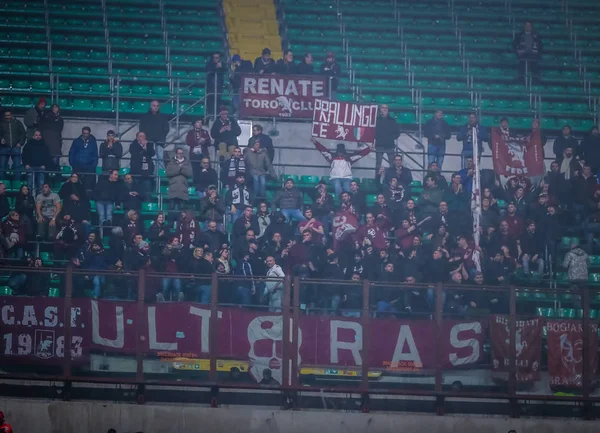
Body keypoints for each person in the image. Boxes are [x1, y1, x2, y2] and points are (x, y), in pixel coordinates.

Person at [139, 100, 170, 172]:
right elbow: (141, 129)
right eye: (154, 105)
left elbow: (166, 128)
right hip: (148, 141)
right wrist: (145, 139)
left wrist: (162, 137)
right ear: (150, 106)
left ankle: (160, 173)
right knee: (150, 158)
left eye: (157, 106)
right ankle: (151, 172)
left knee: (160, 158)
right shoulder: (144, 117)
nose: (156, 107)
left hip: (159, 141)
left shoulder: (163, 117)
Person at [166, 148, 193, 221]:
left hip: (183, 189)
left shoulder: (187, 163)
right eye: (179, 153)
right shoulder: (171, 162)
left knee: (182, 209)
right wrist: (179, 169)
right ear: (176, 154)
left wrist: (181, 168)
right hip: (173, 189)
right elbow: (168, 173)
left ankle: (181, 225)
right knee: (171, 208)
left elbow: (189, 173)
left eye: (181, 153)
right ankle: (170, 224)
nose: (180, 154)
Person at [68, 126, 98, 193]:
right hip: (77, 165)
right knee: (76, 184)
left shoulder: (93, 142)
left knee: (88, 185)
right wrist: (72, 163)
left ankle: (87, 198)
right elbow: (72, 152)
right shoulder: (76, 141)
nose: (85, 135)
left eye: (87, 133)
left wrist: (93, 165)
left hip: (89, 166)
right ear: (82, 133)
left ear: (89, 133)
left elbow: (95, 154)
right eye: (84, 133)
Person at [374, 104, 401, 176]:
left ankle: (393, 178)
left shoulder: (392, 121)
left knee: (392, 163)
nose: (385, 109)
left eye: (386, 108)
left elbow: (397, 132)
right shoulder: (376, 120)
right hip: (379, 145)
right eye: (383, 108)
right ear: (380, 109)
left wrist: (391, 137)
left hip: (390, 145)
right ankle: (377, 179)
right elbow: (372, 131)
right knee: (378, 164)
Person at [129, 131, 155, 201]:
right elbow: (134, 154)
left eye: (143, 136)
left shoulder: (149, 145)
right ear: (137, 137)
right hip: (136, 172)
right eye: (140, 136)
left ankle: (147, 204)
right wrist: (142, 148)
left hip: (146, 173)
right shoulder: (133, 145)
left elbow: (152, 153)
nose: (142, 138)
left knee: (147, 188)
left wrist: (145, 147)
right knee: (136, 190)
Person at [0, 110, 26, 175]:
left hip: (16, 147)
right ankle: (1, 183)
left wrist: (20, 143)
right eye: (6, 115)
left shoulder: (18, 123)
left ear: (11, 115)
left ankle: (16, 183)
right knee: (2, 166)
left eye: (8, 115)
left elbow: (23, 133)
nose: (7, 117)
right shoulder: (1, 123)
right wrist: (1, 139)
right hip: (4, 147)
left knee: (17, 167)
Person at [205, 52, 226, 118]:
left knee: (218, 102)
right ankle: (210, 115)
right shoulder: (209, 64)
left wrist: (220, 67)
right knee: (210, 102)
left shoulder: (222, 64)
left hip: (219, 86)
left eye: (217, 57)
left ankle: (217, 115)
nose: (215, 59)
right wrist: (216, 67)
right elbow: (208, 72)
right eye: (214, 57)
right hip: (210, 86)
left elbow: (225, 70)